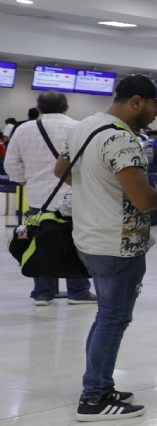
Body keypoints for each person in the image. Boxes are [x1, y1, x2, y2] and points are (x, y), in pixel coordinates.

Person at [56, 76, 157, 421]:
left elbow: (61, 170)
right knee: (113, 319)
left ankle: (99, 383)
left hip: (89, 237)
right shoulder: (122, 140)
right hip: (118, 244)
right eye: (156, 106)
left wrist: (98, 191)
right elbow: (143, 199)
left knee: (106, 318)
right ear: (137, 101)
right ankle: (94, 398)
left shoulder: (85, 127)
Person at [5, 90, 95, 307]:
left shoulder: (23, 129)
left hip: (38, 198)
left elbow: (11, 163)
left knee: (40, 242)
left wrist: (26, 182)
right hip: (74, 197)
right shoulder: (78, 127)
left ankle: (43, 293)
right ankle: (78, 291)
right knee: (76, 243)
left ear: (38, 109)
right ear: (67, 107)